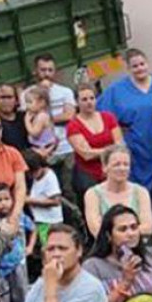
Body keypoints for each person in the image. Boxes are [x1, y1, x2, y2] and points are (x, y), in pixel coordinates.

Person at [97, 49, 152, 193]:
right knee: (140, 188)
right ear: (128, 68)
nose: (140, 68)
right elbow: (102, 116)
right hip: (136, 147)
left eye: (142, 64)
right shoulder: (116, 90)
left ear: (148, 64)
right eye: (135, 66)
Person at [65, 79, 122, 208]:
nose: (89, 102)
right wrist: (111, 150)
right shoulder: (73, 125)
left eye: (92, 98)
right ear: (77, 102)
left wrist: (107, 151)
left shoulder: (109, 117)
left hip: (112, 170)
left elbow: (120, 144)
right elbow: (86, 154)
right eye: (84, 99)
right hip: (87, 175)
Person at [82, 143, 152, 240]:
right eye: (117, 165)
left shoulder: (141, 192)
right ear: (105, 167)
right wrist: (132, 232)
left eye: (126, 164)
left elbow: (148, 227)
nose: (122, 168)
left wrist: (117, 232)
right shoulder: (93, 194)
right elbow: (96, 230)